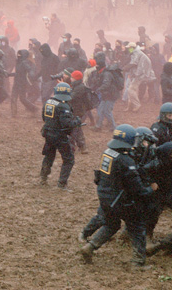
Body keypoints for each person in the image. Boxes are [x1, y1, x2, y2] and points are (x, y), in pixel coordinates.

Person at [80, 124, 155, 268]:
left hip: (105, 198)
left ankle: (89, 247)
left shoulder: (107, 153)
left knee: (112, 225)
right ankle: (138, 262)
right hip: (121, 201)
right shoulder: (125, 161)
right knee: (138, 227)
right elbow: (137, 188)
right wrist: (151, 190)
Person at [40, 81, 79, 189]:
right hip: (60, 136)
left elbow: (44, 117)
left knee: (49, 156)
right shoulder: (64, 106)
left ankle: (43, 178)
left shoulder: (48, 102)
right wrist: (77, 122)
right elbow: (67, 124)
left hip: (48, 133)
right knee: (69, 159)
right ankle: (62, 183)